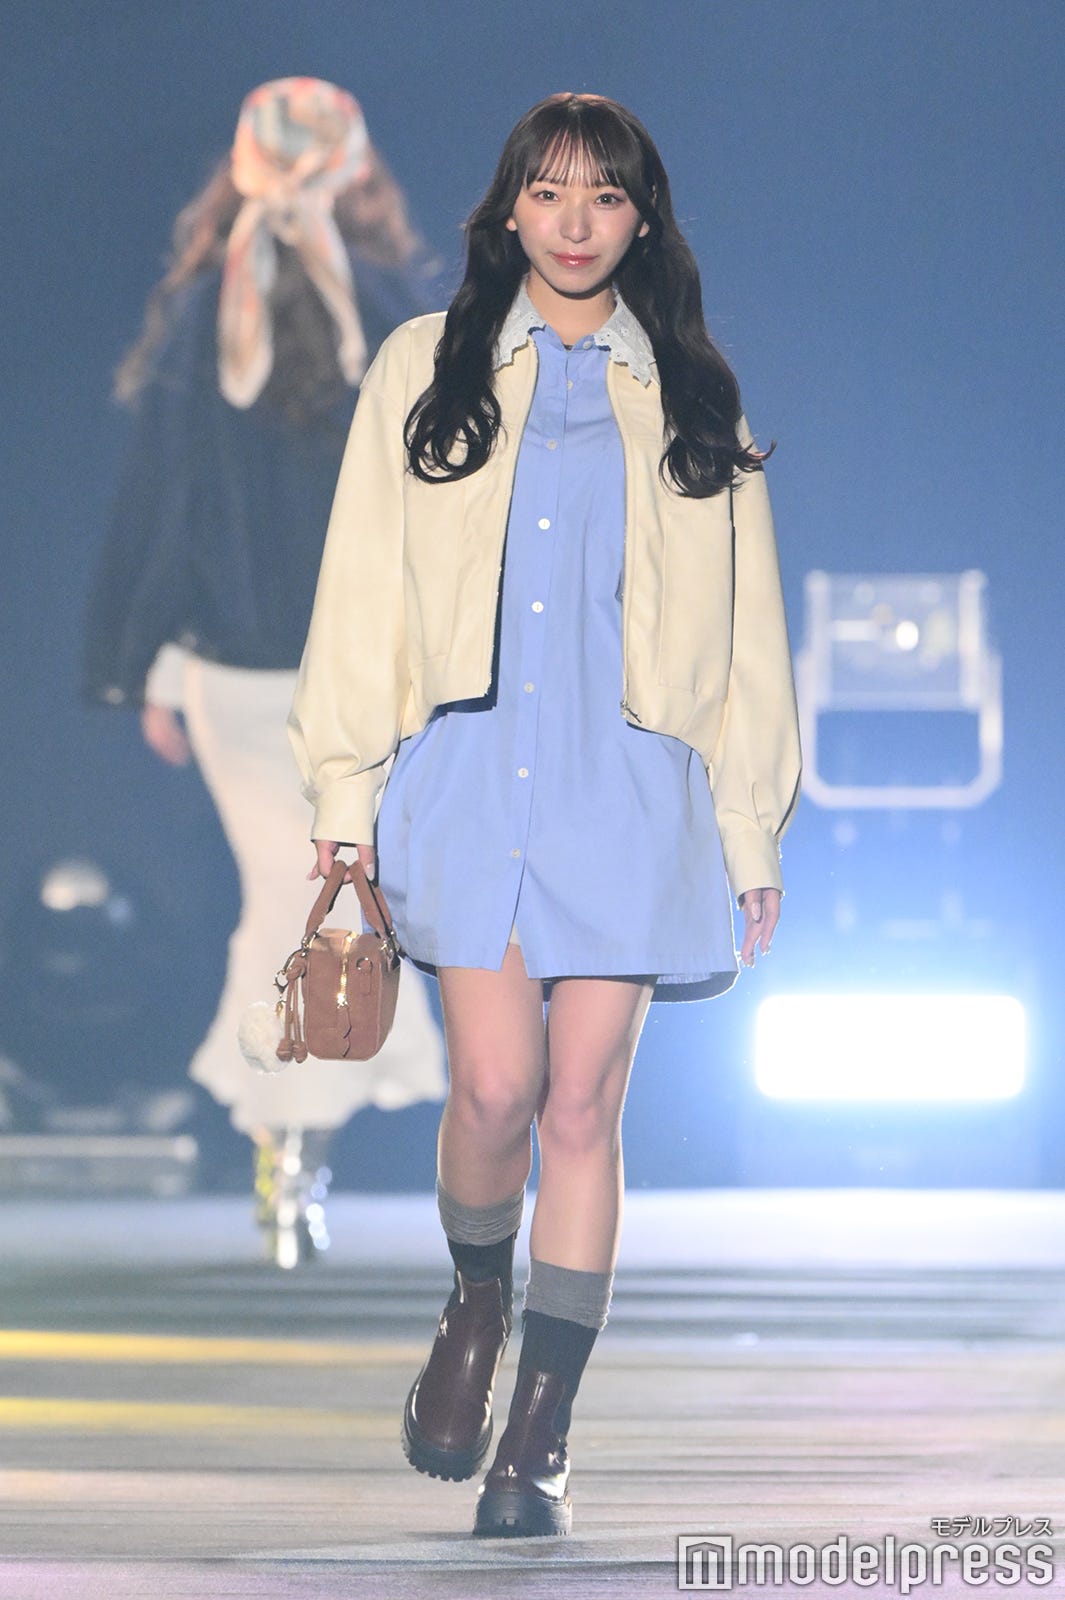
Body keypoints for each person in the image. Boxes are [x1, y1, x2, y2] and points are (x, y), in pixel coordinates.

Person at [288, 92, 801, 1535]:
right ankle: (474, 1303)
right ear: (508, 207)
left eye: (606, 197)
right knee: (495, 1092)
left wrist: (749, 828)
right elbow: (360, 586)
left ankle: (542, 1434)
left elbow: (748, 631)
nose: (576, 224)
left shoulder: (690, 391)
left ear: (643, 219)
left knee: (583, 1105)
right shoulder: (425, 365)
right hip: (469, 771)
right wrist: (344, 790)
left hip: (631, 784)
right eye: (550, 193)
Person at [85, 78, 448, 1267]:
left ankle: (284, 1146)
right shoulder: (390, 309)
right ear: (358, 170)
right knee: (332, 894)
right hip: (357, 668)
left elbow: (161, 497)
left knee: (298, 895)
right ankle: (294, 1146)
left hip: (238, 669)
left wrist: (145, 664)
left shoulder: (208, 310)